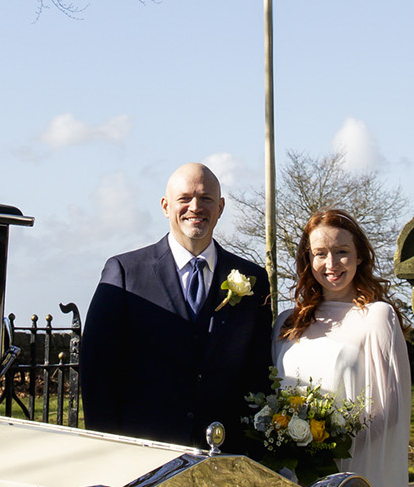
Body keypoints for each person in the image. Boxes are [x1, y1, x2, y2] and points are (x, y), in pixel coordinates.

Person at [80, 162, 272, 450]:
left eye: (206, 198)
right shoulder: (125, 273)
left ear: (220, 207)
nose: (195, 207)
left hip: (227, 456)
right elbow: (98, 371)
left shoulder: (253, 278)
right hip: (145, 453)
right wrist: (109, 449)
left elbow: (258, 371)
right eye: (184, 198)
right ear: (165, 206)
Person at [273, 208, 412, 487]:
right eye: (320, 254)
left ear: (360, 256)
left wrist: (332, 444)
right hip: (294, 471)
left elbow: (391, 410)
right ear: (307, 259)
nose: (331, 264)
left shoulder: (377, 318)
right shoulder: (288, 321)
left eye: (342, 252)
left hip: (353, 468)